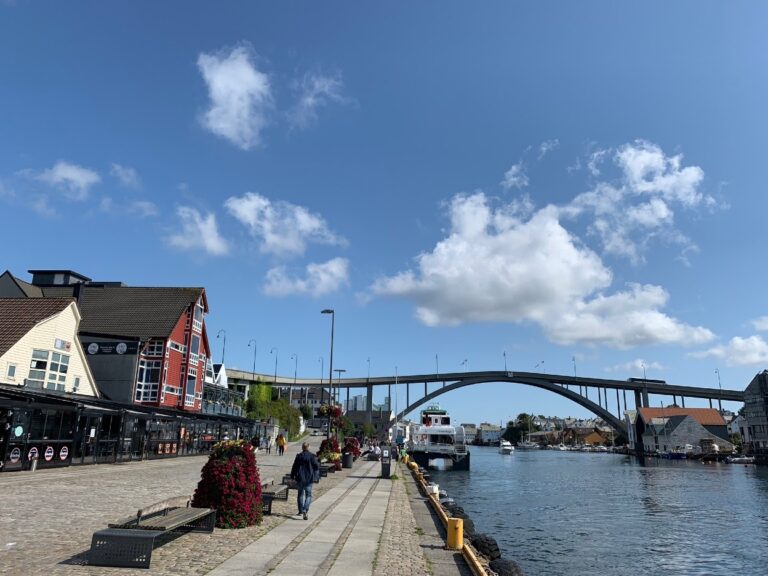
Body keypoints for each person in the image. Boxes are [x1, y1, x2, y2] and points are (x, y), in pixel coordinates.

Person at [290, 442, 319, 520]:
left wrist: (292, 476)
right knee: (308, 495)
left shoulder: (299, 456)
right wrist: (316, 475)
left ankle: (300, 511)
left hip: (300, 477)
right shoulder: (312, 456)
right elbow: (316, 466)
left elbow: (294, 466)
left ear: (302, 448)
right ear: (308, 447)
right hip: (309, 478)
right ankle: (305, 509)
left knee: (300, 494)